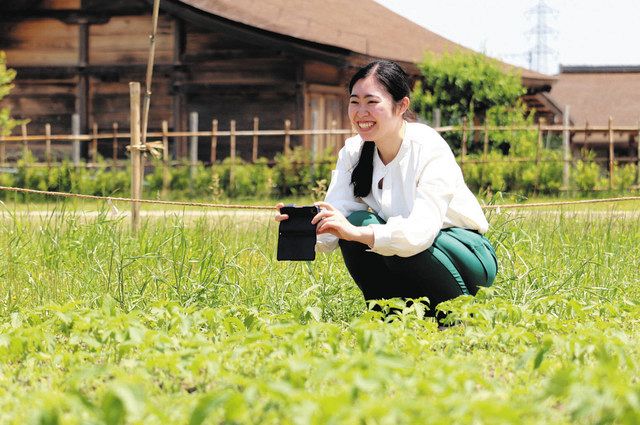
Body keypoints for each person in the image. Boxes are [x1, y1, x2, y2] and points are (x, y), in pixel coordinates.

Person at [275, 60, 497, 319]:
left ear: (401, 105)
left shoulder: (428, 147)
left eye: (372, 102)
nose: (361, 112)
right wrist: (304, 227)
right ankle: (391, 317)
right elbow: (339, 214)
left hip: (462, 251)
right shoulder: (353, 151)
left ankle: (460, 317)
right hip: (410, 252)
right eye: (354, 101)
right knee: (357, 222)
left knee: (386, 236)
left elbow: (420, 232)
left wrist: (358, 233)